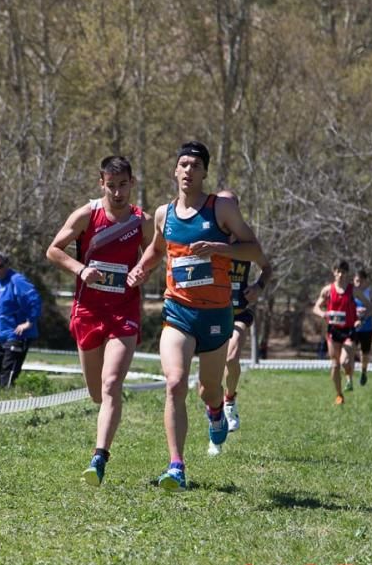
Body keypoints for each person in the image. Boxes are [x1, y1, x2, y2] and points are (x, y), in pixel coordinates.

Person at [126, 141, 263, 491]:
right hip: (179, 312)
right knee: (174, 384)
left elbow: (254, 250)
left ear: (204, 173)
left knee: (209, 390)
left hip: (216, 314)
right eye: (183, 164)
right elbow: (158, 249)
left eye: (195, 166)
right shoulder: (164, 214)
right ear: (175, 170)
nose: (188, 170)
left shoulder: (221, 209)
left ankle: (216, 412)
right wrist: (141, 269)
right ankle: (176, 466)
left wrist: (221, 249)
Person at [46, 156, 153, 485]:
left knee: (111, 385)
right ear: (101, 183)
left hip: (124, 310)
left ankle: (99, 457)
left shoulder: (142, 221)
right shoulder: (86, 215)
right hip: (88, 310)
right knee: (96, 392)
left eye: (123, 185)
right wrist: (81, 269)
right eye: (111, 186)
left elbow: (155, 254)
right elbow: (53, 249)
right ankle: (101, 437)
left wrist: (141, 272)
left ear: (132, 183)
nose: (118, 192)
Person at [218, 247, 271, 451]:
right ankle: (215, 421)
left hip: (239, 313)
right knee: (212, 371)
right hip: (213, 312)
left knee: (231, 358)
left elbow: (267, 268)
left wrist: (258, 286)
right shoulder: (213, 238)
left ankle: (229, 403)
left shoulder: (246, 243)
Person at [0, 251, 41, 389]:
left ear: (7, 264)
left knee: (7, 375)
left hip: (17, 335)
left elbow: (35, 299)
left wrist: (29, 322)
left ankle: (8, 403)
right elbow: (0, 309)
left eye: (0, 266)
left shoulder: (17, 280)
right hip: (2, 336)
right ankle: (7, 398)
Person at [312, 260, 366, 405]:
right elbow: (316, 307)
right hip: (333, 330)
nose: (341, 274)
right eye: (338, 271)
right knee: (335, 365)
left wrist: (361, 318)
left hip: (348, 330)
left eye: (344, 272)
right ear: (334, 272)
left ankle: (349, 376)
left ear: (347, 273)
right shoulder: (328, 290)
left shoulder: (353, 290)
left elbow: (369, 306)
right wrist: (323, 314)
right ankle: (339, 395)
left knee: (345, 361)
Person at [352, 269, 372, 386]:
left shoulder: (369, 292)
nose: (358, 284)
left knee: (364, 353)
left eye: (361, 281)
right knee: (350, 350)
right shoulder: (351, 292)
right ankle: (349, 376)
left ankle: (363, 371)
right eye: (356, 281)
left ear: (366, 281)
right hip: (353, 327)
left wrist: (365, 315)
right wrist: (355, 311)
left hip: (367, 328)